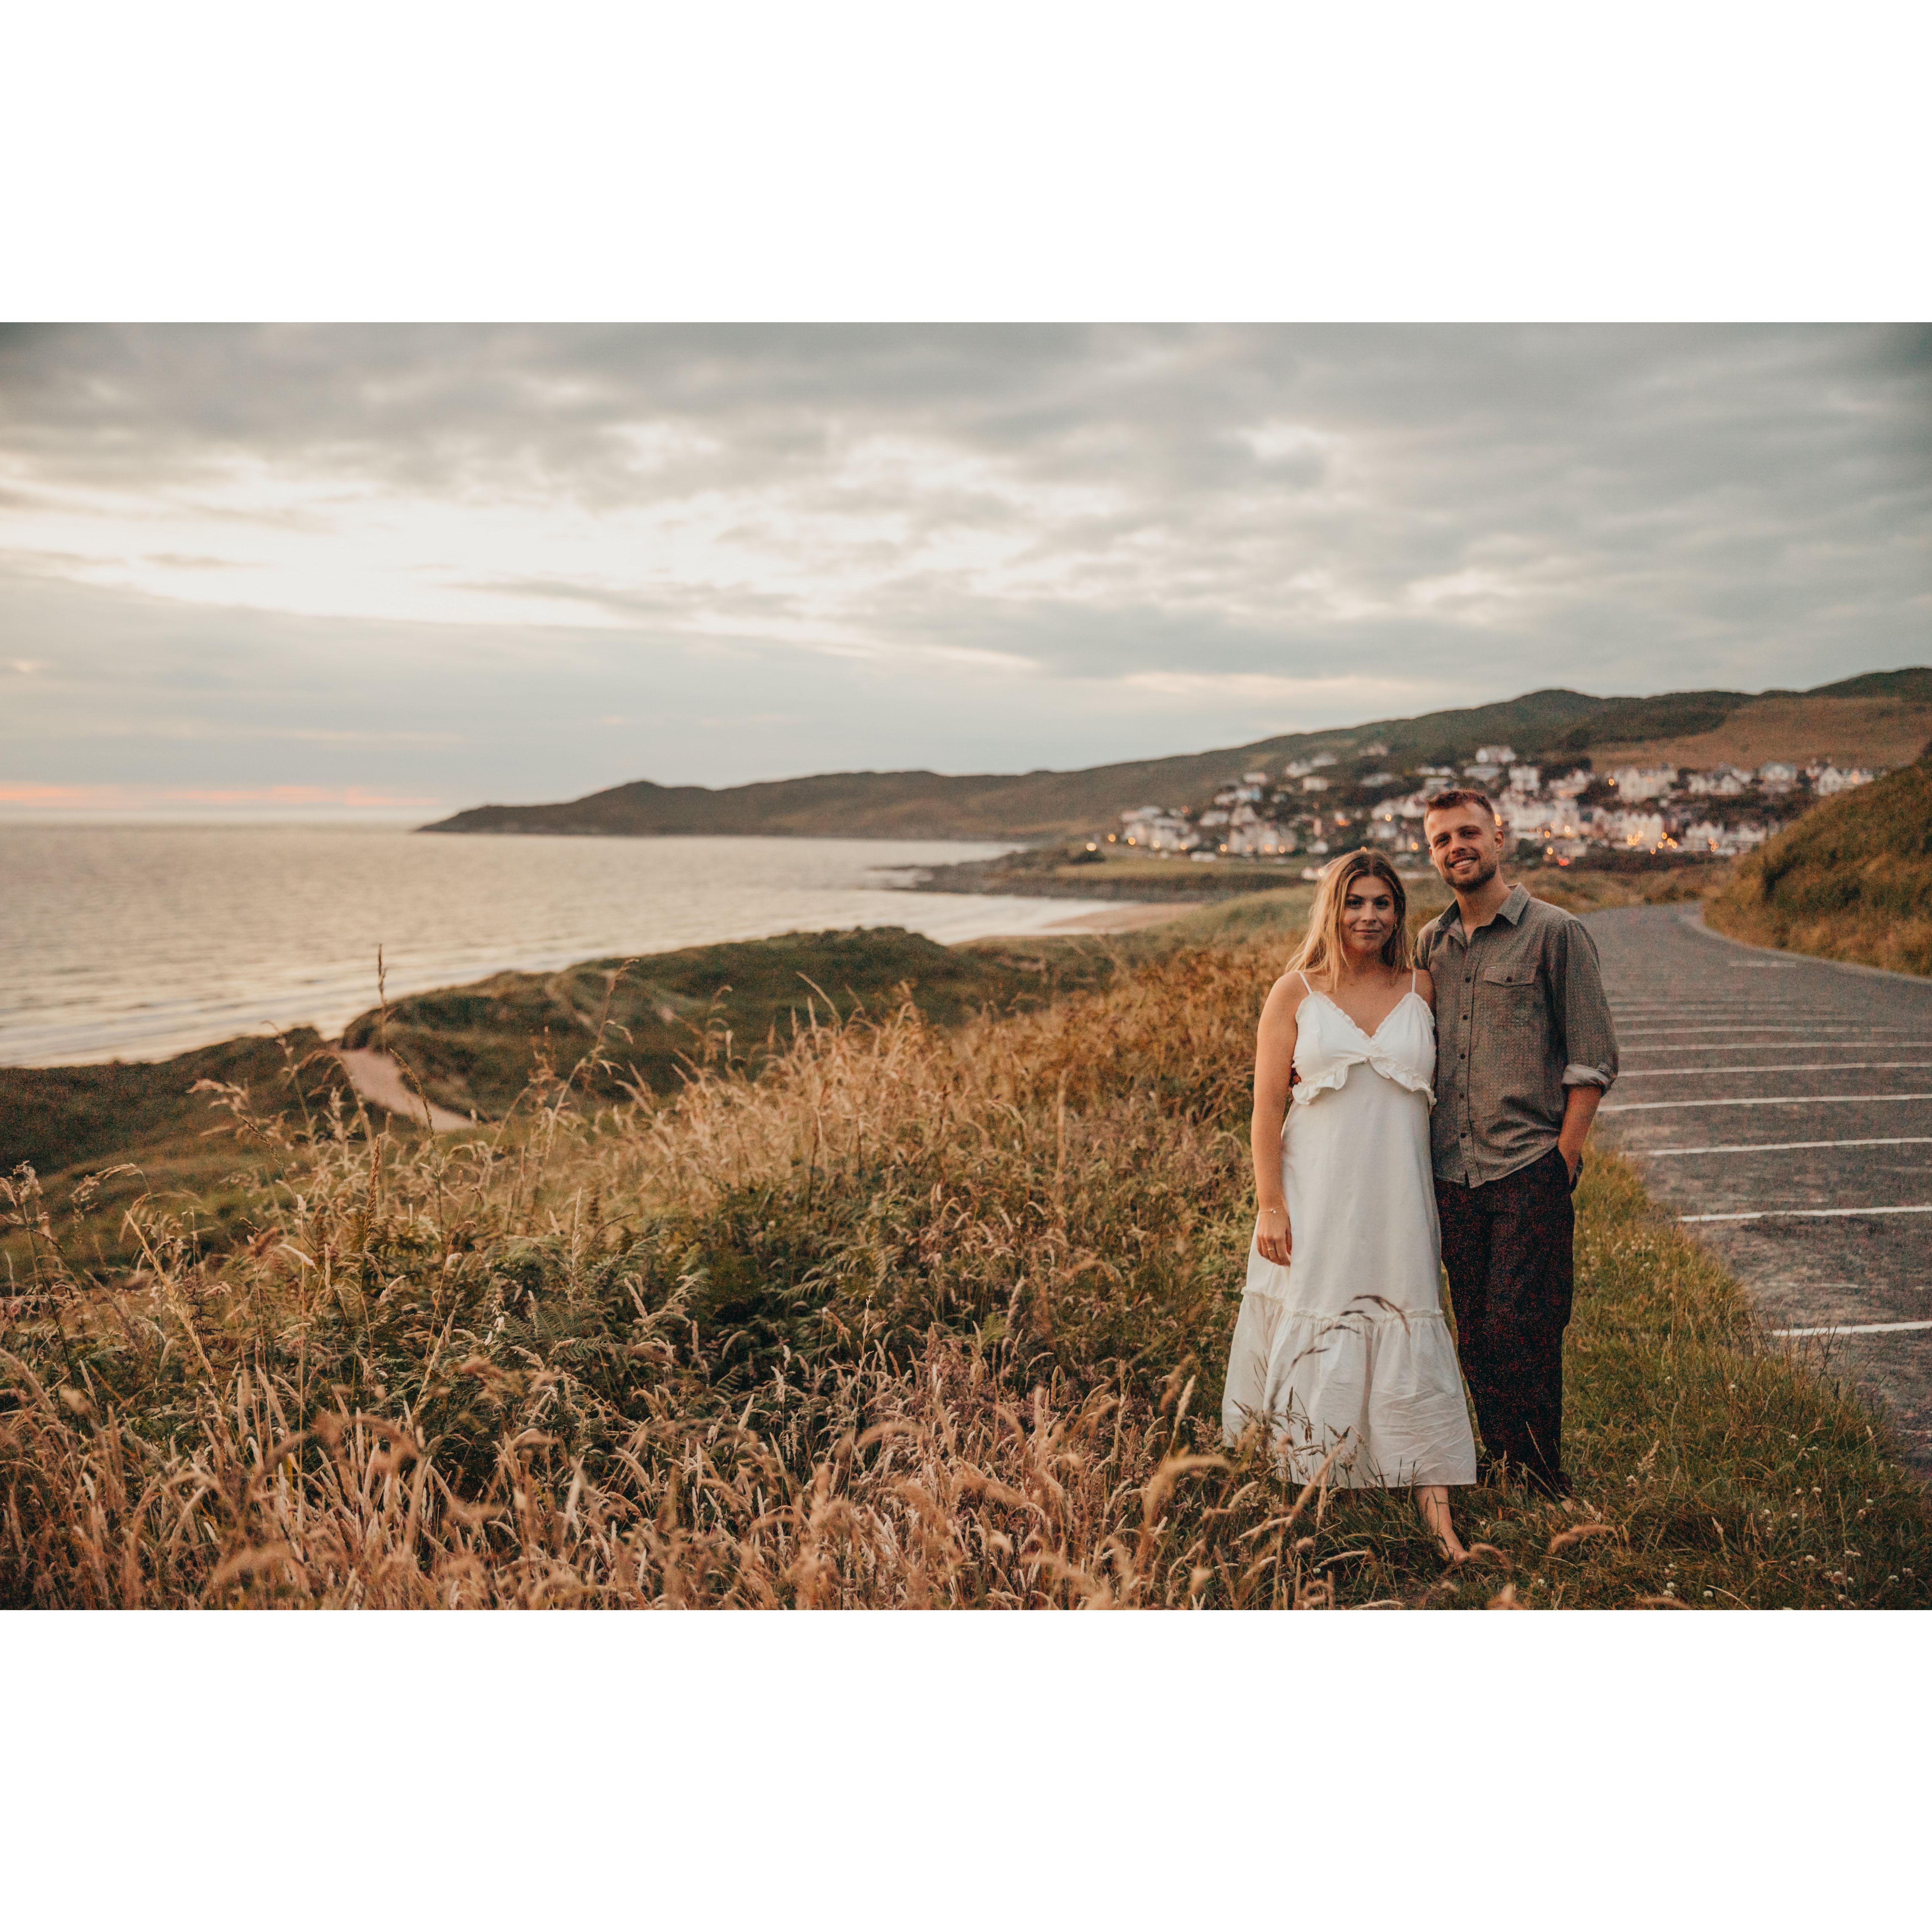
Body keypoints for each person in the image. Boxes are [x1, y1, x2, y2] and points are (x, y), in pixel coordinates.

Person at [1222, 848, 1477, 1561]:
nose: (1368, 916)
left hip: (1400, 1194)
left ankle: (1439, 1518)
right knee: (1321, 1326)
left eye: (1382, 903)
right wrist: (1270, 1206)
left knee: (1408, 1318)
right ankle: (1306, 1506)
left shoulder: (1422, 987)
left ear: (1399, 913)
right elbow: (1265, 1108)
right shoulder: (1294, 992)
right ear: (1332, 908)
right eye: (1355, 902)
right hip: (1316, 1194)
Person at [1416, 790, 1620, 1500]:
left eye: (1467, 833)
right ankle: (1503, 1465)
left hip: (1526, 1165)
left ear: (1499, 839)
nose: (1455, 848)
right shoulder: (1428, 945)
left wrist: (1560, 1160)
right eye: (1440, 840)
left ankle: (1544, 1478)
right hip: (1451, 1173)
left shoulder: (1554, 933)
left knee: (1521, 1325)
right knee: (1473, 1332)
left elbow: (1592, 1057)